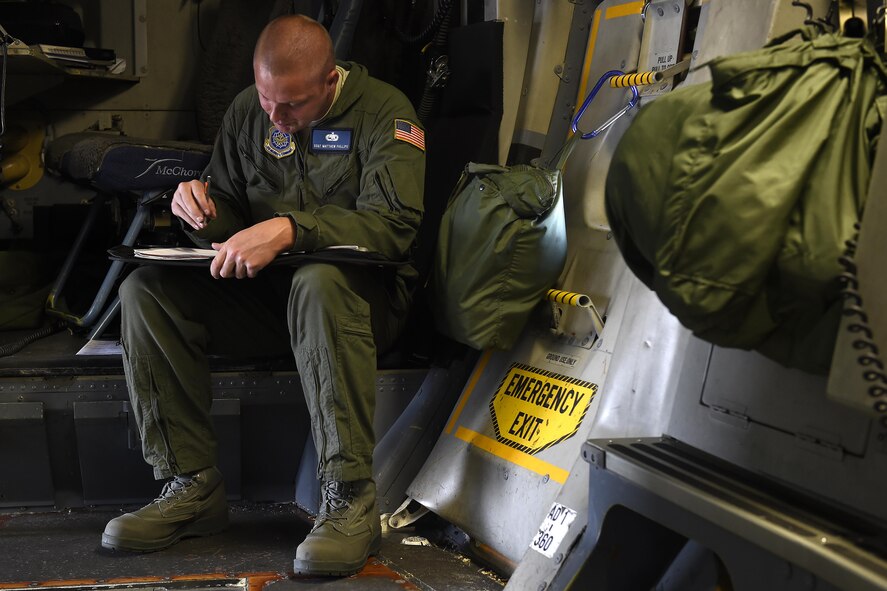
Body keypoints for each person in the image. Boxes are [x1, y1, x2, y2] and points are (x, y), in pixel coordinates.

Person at [100, 14, 425, 577]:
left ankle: (349, 498)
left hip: (359, 305)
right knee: (146, 290)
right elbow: (228, 205)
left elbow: (392, 226)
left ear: (330, 81)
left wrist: (294, 228)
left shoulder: (384, 113)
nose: (275, 116)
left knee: (318, 281)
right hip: (270, 301)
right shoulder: (251, 109)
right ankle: (191, 486)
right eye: (267, 98)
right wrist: (199, 211)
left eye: (293, 105)